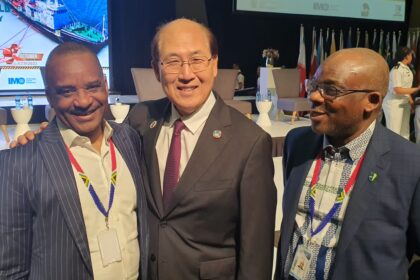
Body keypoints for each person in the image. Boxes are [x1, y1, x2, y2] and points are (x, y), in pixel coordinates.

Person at [125, 19, 276, 279]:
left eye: (197, 60)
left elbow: (256, 254)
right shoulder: (140, 119)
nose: (186, 74)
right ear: (156, 69)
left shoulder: (250, 143)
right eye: (172, 62)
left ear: (214, 64)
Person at [0, 42, 149, 279]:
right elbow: (10, 270)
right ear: (49, 96)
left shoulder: (130, 140)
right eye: (67, 91)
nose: (83, 101)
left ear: (106, 85)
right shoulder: (18, 163)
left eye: (93, 87)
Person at [275, 48, 420, 279]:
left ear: (371, 101)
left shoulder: (410, 165)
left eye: (330, 90)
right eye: (314, 86)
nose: (313, 96)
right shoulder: (297, 143)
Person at [382, 46, 420, 140]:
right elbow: (397, 90)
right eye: (411, 55)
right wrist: (416, 89)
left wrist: (411, 102)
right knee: (394, 132)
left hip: (404, 103)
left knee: (405, 131)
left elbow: (406, 88)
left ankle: (404, 153)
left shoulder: (407, 68)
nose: (412, 57)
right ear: (406, 56)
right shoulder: (396, 69)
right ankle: (392, 154)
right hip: (394, 104)